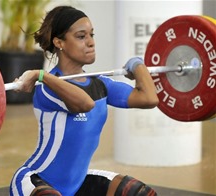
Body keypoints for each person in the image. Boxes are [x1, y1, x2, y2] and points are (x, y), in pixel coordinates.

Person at [10, 5, 159, 196]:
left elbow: (149, 98)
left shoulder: (101, 85)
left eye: (92, 35)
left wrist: (136, 64)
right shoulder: (47, 87)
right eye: (81, 36)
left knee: (142, 194)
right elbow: (85, 104)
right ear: (59, 42)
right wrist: (42, 75)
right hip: (37, 180)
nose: (91, 42)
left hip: (78, 183)